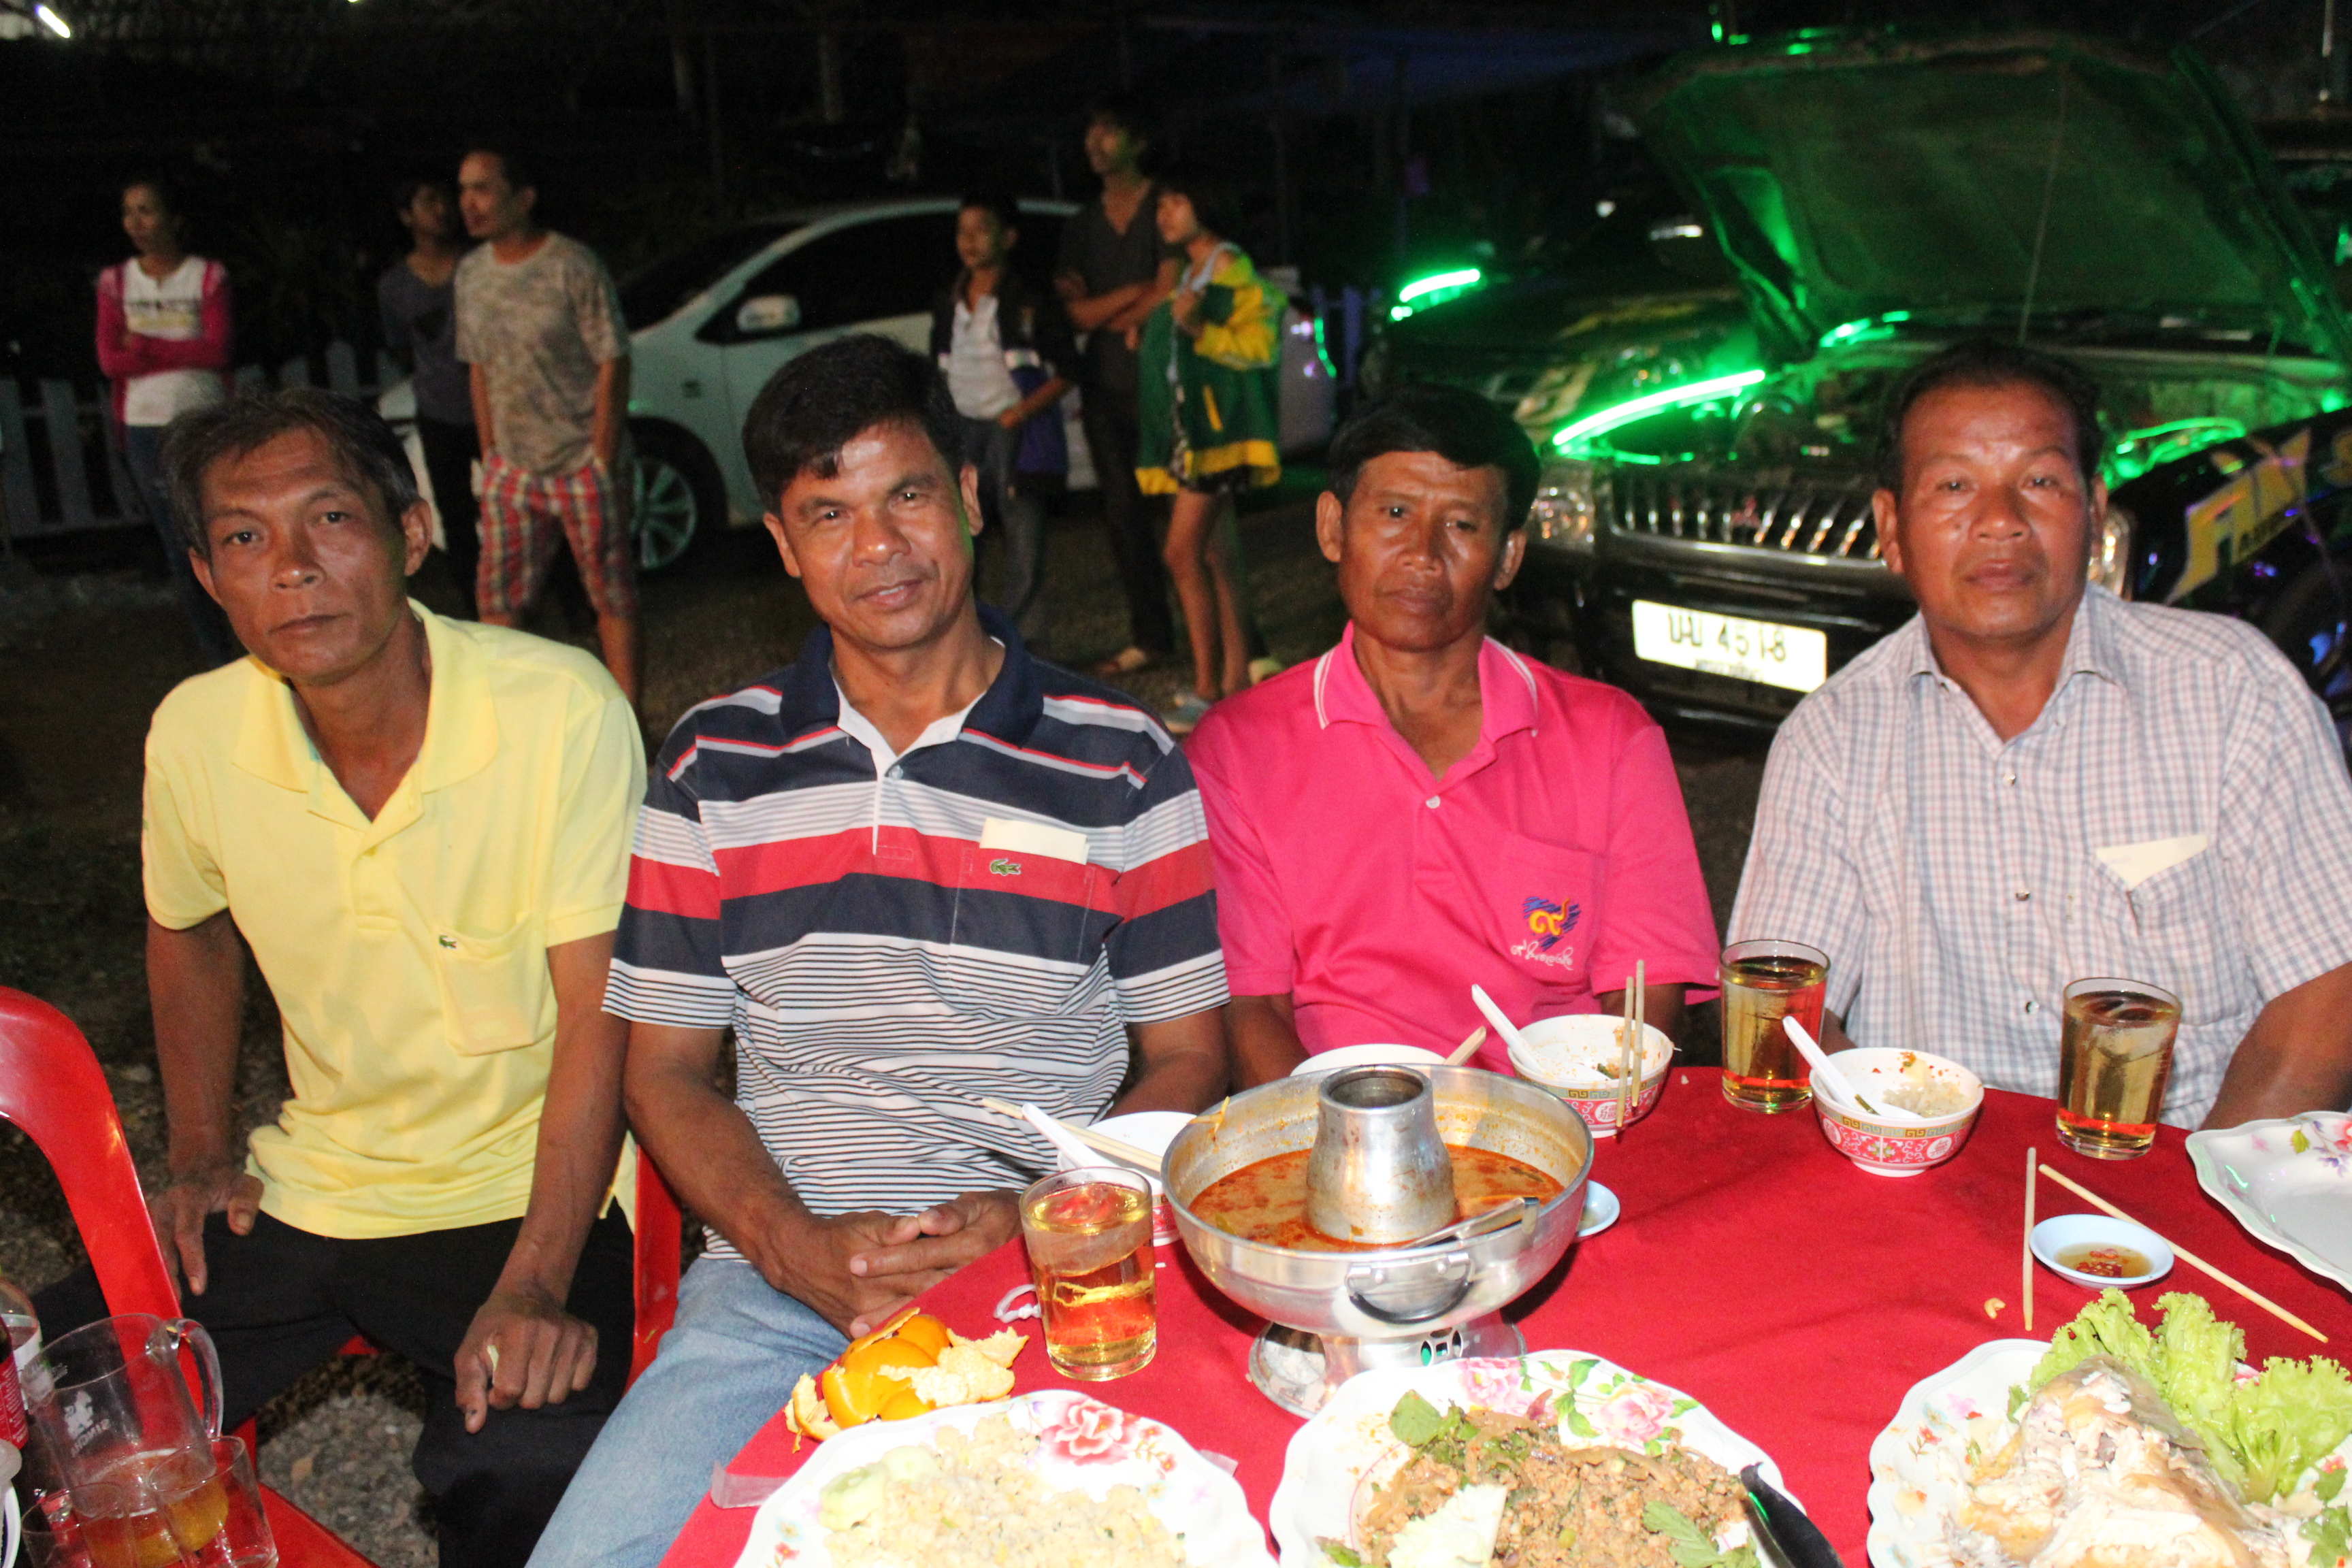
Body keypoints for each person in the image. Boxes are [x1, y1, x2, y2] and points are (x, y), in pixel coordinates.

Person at [525, 336, 1229, 1568]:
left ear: (971, 497)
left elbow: (1187, 1056)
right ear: (783, 545)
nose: (879, 547)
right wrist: (789, 1243)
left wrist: (1041, 1214)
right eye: (829, 514)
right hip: (776, 1294)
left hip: (1050, 1276)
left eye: (907, 495)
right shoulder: (712, 763)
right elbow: (664, 1072)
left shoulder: (1120, 754)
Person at [33, 388, 645, 1568]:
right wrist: (199, 1150)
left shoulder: (558, 707)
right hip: (313, 1183)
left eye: (329, 519)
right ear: (208, 576)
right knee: (40, 1400)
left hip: (525, 1189)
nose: (294, 568)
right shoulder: (197, 731)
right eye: (246, 537)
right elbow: (187, 930)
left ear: (411, 532)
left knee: (535, 1469)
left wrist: (535, 1282)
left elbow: (600, 1012)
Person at [1731, 338, 2352, 1130]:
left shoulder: (2230, 688)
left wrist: (2202, 1188)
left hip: (2189, 1159)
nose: (2000, 521)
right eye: (1954, 485)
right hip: (1931, 1174)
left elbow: (2330, 992)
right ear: (1891, 528)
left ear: (2094, 513)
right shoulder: (1832, 739)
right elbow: (1782, 1008)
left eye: (2040, 481)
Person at [1190, 385, 1720, 1085]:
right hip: (1334, 1117)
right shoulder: (1238, 748)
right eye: (1395, 513)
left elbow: (1645, 996)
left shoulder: (1610, 737)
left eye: (1463, 524)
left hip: (1558, 1118)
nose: (1423, 553)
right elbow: (1250, 1006)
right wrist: (1343, 1138)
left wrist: (1570, 1120)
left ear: (1508, 558)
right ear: (1333, 527)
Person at [453, 146, 640, 708]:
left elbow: (613, 357)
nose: (469, 203)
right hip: (513, 469)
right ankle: (511, 721)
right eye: (463, 190)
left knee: (611, 595)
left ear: (524, 198)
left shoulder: (571, 265)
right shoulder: (472, 275)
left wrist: (601, 455)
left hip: (581, 462)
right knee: (498, 601)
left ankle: (628, 722)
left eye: (483, 188)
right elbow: (478, 368)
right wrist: (490, 453)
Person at [1137, 163, 1284, 734]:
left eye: (1175, 202)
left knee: (1181, 552)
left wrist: (1200, 331)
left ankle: (1206, 689)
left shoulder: (1227, 265)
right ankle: (1234, 684)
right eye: (1160, 205)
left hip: (1219, 439)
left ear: (1205, 202)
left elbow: (1260, 345)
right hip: (1195, 437)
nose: (1164, 215)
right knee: (1221, 558)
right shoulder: (1191, 270)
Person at [1054, 94, 1179, 678]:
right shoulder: (1082, 224)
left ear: (1138, 140)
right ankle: (1151, 636)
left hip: (1165, 380)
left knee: (1190, 515)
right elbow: (1075, 314)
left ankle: (1232, 641)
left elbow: (1171, 289)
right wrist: (1135, 296)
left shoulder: (1165, 207)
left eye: (1107, 130)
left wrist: (1114, 306)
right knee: (1124, 517)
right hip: (1105, 385)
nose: (1094, 143)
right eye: (1091, 132)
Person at [96, 173, 238, 667]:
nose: (136, 222)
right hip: (144, 424)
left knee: (224, 532)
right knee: (181, 546)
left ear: (174, 218)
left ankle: (253, 632)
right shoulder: (116, 283)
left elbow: (217, 349)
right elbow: (110, 360)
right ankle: (217, 655)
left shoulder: (207, 276)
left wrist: (145, 346)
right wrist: (180, 349)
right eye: (128, 212)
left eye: (147, 210)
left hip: (203, 421)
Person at [928, 190, 1076, 651]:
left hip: (1013, 429)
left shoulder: (1028, 299)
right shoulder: (949, 300)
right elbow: (939, 365)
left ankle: (1024, 642)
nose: (970, 241)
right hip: (963, 429)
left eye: (982, 231)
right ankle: (964, 638)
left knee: (1023, 534)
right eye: (963, 232)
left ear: (1008, 238)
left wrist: (1021, 412)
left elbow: (1069, 369)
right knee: (959, 534)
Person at [380, 176, 483, 616]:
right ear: (407, 216)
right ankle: (476, 608)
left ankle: (564, 598)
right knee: (455, 514)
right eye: (427, 201)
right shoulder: (396, 286)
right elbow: (401, 348)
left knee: (525, 503)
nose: (440, 210)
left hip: (494, 405)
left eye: (443, 199)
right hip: (439, 410)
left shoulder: (478, 265)